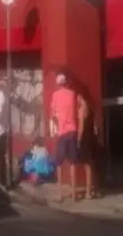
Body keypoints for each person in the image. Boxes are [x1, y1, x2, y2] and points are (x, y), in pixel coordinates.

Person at [49, 72, 79, 202]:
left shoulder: (55, 95)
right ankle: (73, 193)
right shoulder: (73, 94)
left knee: (59, 164)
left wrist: (54, 128)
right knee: (73, 163)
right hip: (72, 130)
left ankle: (60, 194)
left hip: (62, 132)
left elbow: (52, 114)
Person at [76, 90, 99, 199]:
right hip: (92, 138)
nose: (76, 98)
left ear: (81, 97)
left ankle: (89, 192)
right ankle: (93, 189)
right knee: (91, 165)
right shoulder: (91, 109)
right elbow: (95, 127)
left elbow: (80, 128)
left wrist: (78, 140)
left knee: (87, 166)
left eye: (78, 96)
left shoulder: (81, 110)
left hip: (85, 138)